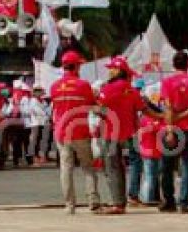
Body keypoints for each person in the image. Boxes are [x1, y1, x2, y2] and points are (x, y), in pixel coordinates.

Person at [50, 50, 101, 214]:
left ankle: (69, 205)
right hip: (80, 132)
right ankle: (93, 201)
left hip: (61, 133)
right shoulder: (83, 85)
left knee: (66, 169)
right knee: (88, 168)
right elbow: (94, 106)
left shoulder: (54, 86)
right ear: (77, 66)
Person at [95, 56, 146, 215]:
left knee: (112, 168)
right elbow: (142, 109)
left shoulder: (108, 89)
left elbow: (100, 110)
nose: (109, 71)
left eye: (111, 68)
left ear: (118, 71)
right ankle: (121, 201)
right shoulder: (131, 89)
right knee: (121, 168)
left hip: (110, 133)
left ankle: (118, 204)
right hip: (127, 133)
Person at [158, 51, 188, 213]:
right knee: (187, 166)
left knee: (167, 167)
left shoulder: (168, 82)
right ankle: (184, 202)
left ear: (173, 64)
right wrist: (185, 115)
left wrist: (172, 127)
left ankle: (169, 200)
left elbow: (168, 107)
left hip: (173, 127)